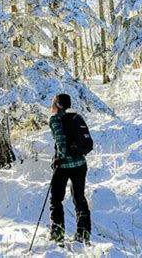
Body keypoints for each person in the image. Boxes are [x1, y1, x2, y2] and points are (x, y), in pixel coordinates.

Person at [48, 93, 91, 244]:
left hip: (64, 165)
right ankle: (83, 233)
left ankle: (57, 232)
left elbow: (60, 139)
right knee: (79, 198)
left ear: (57, 104)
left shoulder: (54, 119)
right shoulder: (75, 118)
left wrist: (60, 157)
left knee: (56, 198)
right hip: (80, 163)